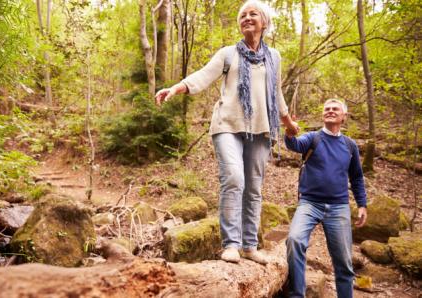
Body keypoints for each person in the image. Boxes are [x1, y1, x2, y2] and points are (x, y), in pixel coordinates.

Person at [155, 0, 299, 264]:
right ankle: (231, 244)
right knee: (234, 178)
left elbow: (275, 93)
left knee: (254, 188)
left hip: (260, 129)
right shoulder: (228, 54)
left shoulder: (274, 57)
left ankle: (249, 246)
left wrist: (288, 122)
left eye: (252, 13)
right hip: (227, 126)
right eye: (242, 15)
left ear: (264, 22)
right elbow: (202, 76)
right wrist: (174, 89)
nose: (246, 18)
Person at [284, 99, 368, 298]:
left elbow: (356, 177)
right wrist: (289, 131)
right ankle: (297, 294)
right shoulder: (313, 138)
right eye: (327, 109)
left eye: (335, 109)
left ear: (343, 116)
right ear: (323, 115)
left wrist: (362, 204)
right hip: (309, 203)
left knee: (344, 263)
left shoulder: (350, 145)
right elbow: (294, 144)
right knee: (294, 240)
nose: (330, 111)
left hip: (339, 207)